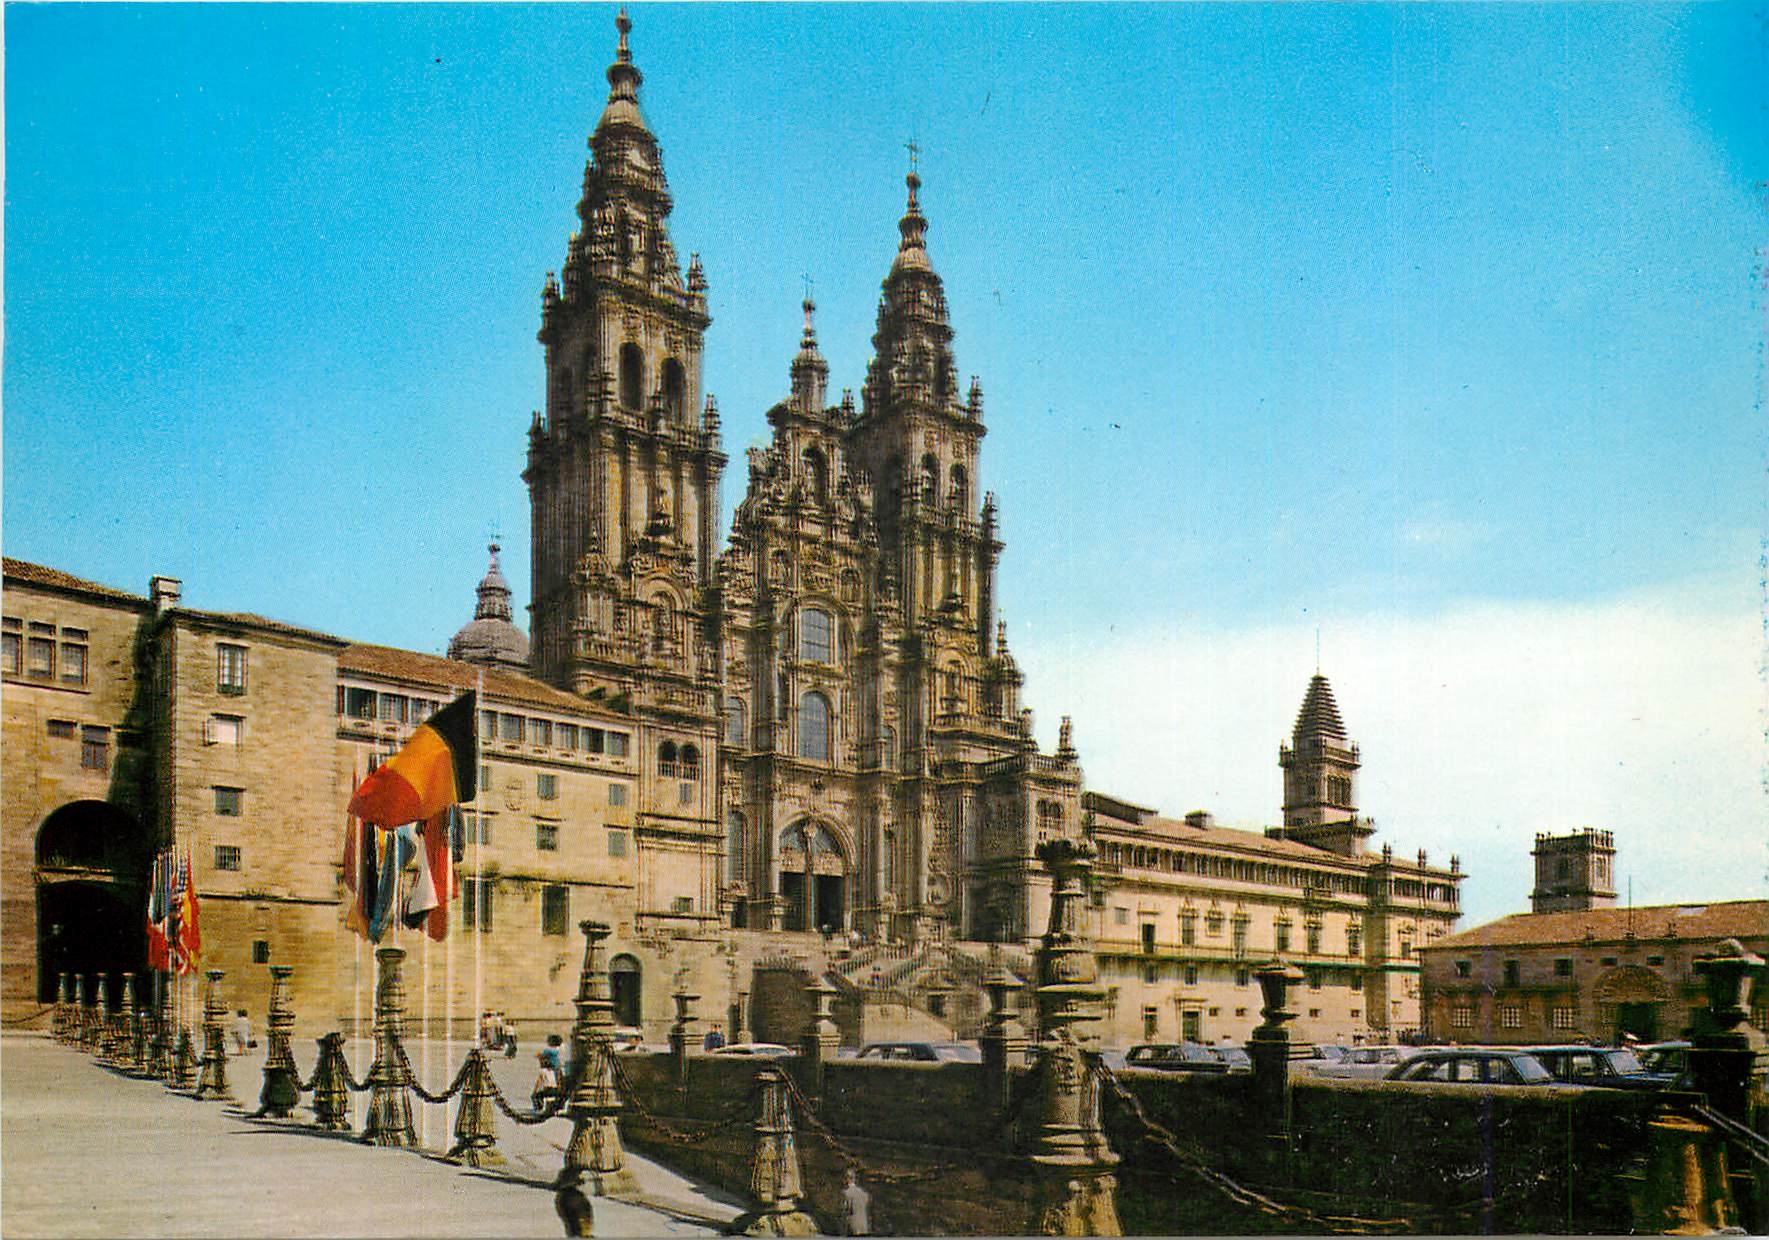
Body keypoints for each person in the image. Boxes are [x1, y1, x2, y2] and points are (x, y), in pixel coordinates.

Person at [840, 1167, 871, 1236]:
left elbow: (845, 1210)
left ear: (847, 1179)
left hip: (853, 1228)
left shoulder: (846, 1193)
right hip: (864, 1227)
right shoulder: (864, 1193)